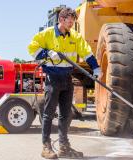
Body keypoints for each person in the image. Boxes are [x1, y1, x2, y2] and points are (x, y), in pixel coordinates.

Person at [28, 7, 101, 159]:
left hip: (67, 78)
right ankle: (46, 146)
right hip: (52, 79)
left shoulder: (74, 36)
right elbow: (32, 47)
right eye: (69, 22)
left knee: (66, 115)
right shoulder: (46, 34)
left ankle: (63, 146)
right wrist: (47, 53)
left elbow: (86, 52)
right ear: (61, 20)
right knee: (48, 114)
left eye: (73, 22)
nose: (71, 25)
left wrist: (96, 67)